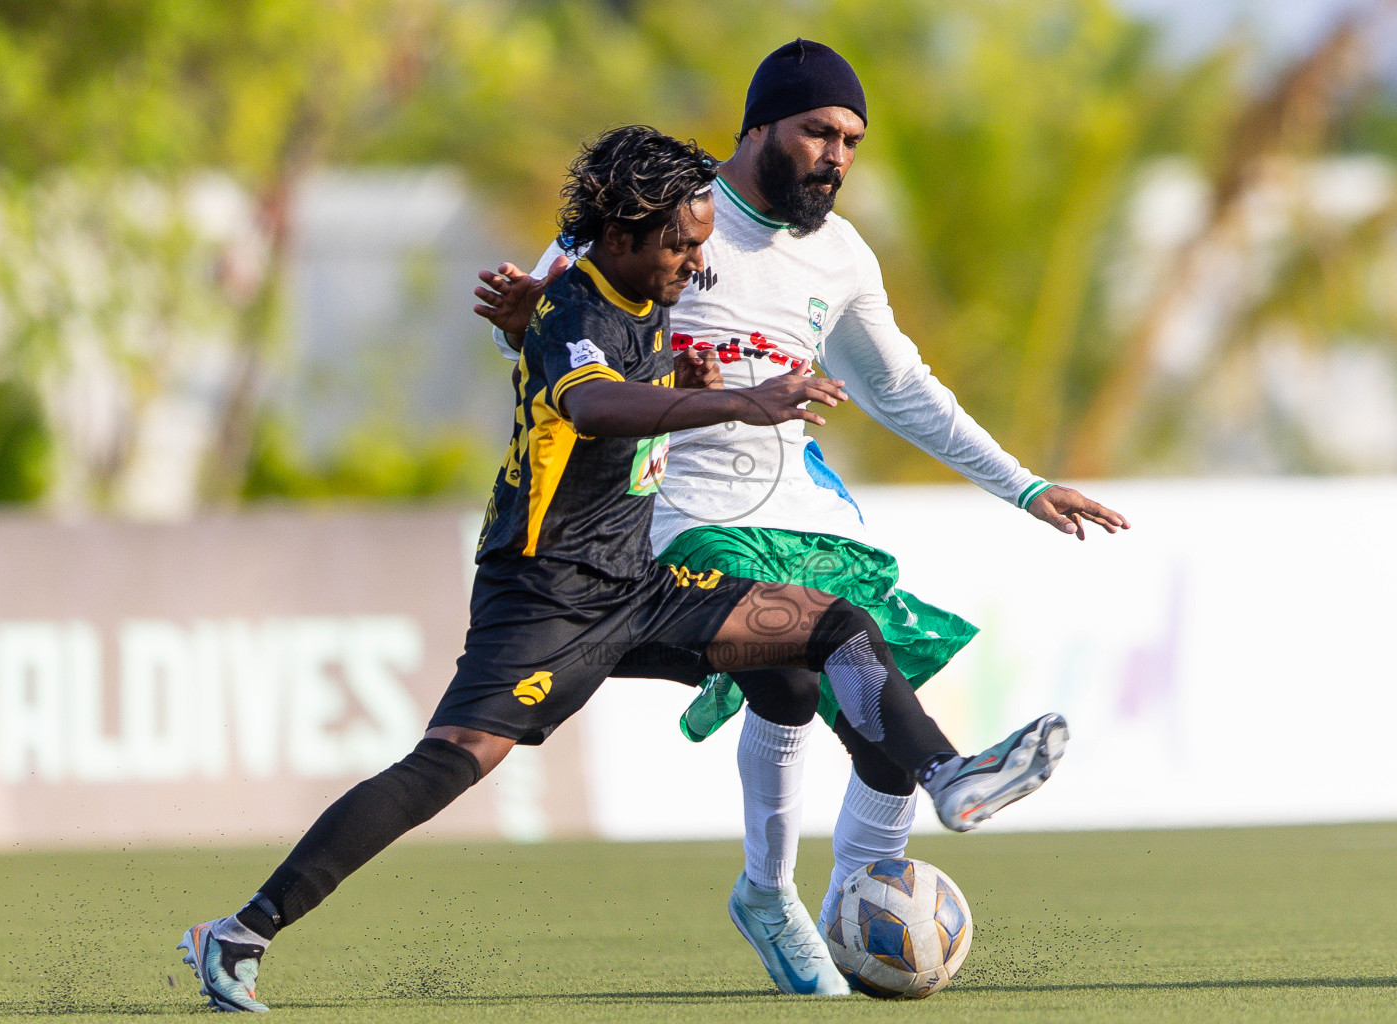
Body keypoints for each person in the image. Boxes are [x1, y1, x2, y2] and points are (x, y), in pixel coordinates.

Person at [179, 125, 1072, 1013]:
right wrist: (741, 401)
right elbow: (599, 405)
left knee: (831, 627)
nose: (694, 263)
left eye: (699, 244)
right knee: (447, 766)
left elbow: (655, 355)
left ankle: (946, 777)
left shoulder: (642, 299)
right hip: (547, 599)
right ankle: (241, 931)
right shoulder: (577, 312)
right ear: (620, 236)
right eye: (680, 247)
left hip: (641, 587)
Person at [474, 39, 1128, 997]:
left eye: (853, 140)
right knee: (786, 678)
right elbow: (557, 358)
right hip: (681, 509)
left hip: (806, 507)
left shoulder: (842, 255)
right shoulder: (660, 210)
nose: (837, 155)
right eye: (820, 130)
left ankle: (853, 891)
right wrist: (514, 328)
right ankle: (806, 874)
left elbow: (904, 391)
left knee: (874, 726)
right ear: (760, 126)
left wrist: (1025, 486)